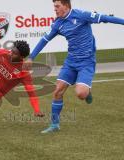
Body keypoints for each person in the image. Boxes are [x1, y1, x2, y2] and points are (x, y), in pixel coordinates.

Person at [25, 0, 124, 133]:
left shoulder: (82, 15)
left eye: (57, 6)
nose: (55, 9)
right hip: (70, 62)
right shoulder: (57, 24)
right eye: (54, 6)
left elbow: (105, 18)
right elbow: (44, 40)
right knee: (58, 91)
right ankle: (54, 125)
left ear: (66, 6)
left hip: (86, 62)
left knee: (81, 94)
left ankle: (87, 92)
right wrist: (31, 57)